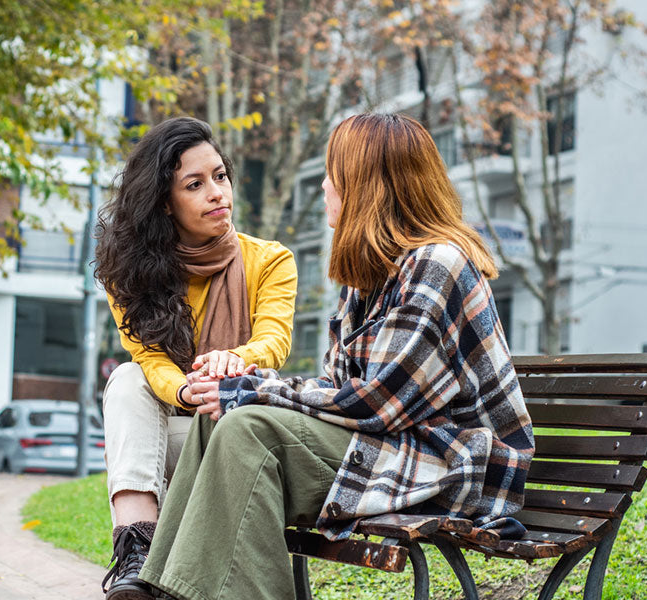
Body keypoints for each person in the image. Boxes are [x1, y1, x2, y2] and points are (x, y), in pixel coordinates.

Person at [135, 113, 535, 600]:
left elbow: (373, 404)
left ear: (366, 187)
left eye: (333, 174)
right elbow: (335, 389)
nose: (324, 185)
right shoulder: (370, 275)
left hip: (450, 463)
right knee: (217, 420)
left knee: (245, 426)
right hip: (394, 448)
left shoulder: (437, 264)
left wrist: (251, 390)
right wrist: (243, 395)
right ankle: (163, 590)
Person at [92, 117, 297, 600]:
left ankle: (150, 569)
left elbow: (274, 342)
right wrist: (184, 389)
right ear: (165, 202)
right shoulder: (129, 275)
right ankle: (138, 554)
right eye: (195, 184)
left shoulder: (269, 260)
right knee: (125, 380)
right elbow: (149, 359)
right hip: (173, 430)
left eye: (220, 176)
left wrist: (234, 359)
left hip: (236, 436)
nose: (216, 193)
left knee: (146, 432)